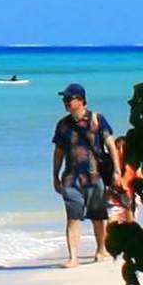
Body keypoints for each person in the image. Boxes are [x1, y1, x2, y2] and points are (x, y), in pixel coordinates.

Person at [50, 85, 119, 267]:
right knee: (73, 217)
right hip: (71, 179)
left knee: (98, 217)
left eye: (69, 99)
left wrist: (117, 171)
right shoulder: (63, 125)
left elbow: (111, 145)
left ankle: (101, 251)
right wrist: (55, 176)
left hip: (94, 177)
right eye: (64, 99)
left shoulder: (97, 120)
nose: (65, 102)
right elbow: (58, 152)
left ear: (80, 100)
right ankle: (73, 257)